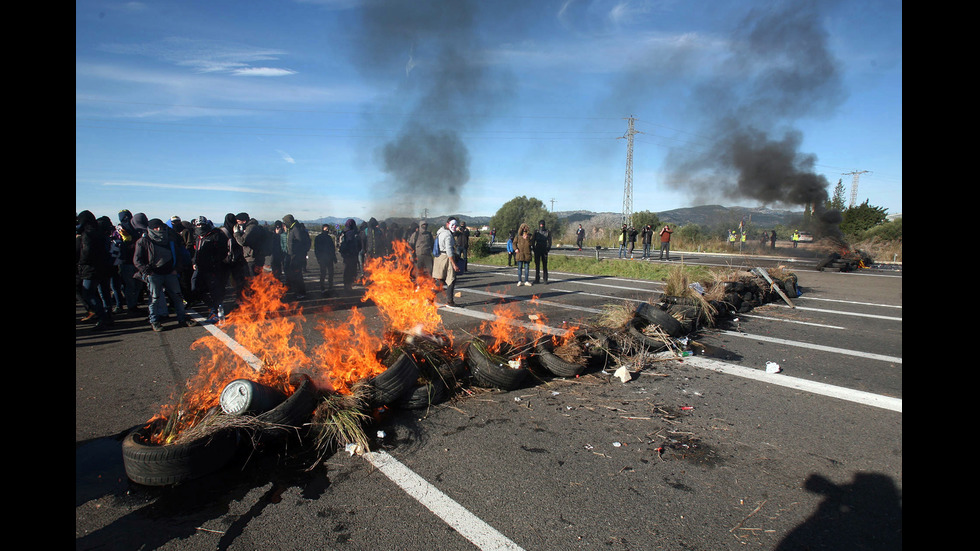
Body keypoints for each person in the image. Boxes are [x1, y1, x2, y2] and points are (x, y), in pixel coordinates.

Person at [134, 218, 192, 331]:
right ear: (150, 229)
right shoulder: (144, 241)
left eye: (160, 227)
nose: (159, 229)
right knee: (154, 299)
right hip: (154, 275)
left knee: (178, 297)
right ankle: (154, 321)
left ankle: (182, 319)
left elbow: (178, 255)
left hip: (170, 273)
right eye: (156, 228)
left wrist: (176, 269)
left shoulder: (169, 239)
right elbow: (137, 260)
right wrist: (147, 271)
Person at [77, 210, 114, 331]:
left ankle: (102, 317)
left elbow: (86, 252)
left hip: (91, 268)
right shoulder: (100, 232)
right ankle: (108, 316)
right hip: (104, 267)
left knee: (88, 293)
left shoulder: (87, 233)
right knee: (104, 292)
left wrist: (82, 262)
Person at [192, 216, 229, 324]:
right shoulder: (198, 237)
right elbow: (196, 251)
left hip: (213, 269)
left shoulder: (215, 235)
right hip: (199, 267)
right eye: (198, 225)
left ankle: (216, 311)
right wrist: (194, 262)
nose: (200, 227)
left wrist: (213, 262)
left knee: (215, 291)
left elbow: (222, 252)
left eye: (202, 225)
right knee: (195, 288)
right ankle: (213, 307)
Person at [116, 210, 146, 316]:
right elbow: (126, 244)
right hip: (127, 261)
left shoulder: (136, 229)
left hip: (135, 261)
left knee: (137, 285)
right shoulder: (122, 229)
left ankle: (133, 304)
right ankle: (131, 306)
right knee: (131, 285)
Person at [432, 216, 461, 306]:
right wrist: (454, 264)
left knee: (440, 280)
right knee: (451, 279)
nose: (455, 227)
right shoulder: (447, 235)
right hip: (446, 258)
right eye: (453, 225)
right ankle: (450, 301)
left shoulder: (440, 232)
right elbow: (449, 250)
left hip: (439, 258)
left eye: (456, 225)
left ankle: (429, 296)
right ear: (447, 224)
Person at [282, 214, 311, 300]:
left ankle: (301, 293)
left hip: (296, 257)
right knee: (294, 275)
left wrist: (295, 253)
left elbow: (300, 242)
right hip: (293, 256)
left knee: (297, 275)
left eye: (285, 222)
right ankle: (297, 292)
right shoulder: (292, 229)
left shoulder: (296, 229)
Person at [234, 213, 269, 278]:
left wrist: (236, 233)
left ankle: (257, 288)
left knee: (254, 278)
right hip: (254, 256)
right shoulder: (251, 227)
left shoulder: (250, 228)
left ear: (244, 221)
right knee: (256, 277)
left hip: (253, 257)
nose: (237, 223)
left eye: (238, 221)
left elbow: (242, 242)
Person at [338, 219, 362, 291]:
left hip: (346, 255)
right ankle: (349, 285)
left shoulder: (344, 232)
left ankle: (347, 285)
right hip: (352, 254)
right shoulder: (353, 233)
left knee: (347, 270)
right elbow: (357, 244)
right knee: (351, 270)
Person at [314, 223, 337, 296]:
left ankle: (330, 286)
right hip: (322, 258)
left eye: (328, 229)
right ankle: (322, 287)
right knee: (323, 273)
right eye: (326, 229)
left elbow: (332, 249)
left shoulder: (329, 238)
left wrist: (334, 257)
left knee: (331, 273)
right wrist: (318, 258)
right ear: (322, 229)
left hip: (329, 258)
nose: (327, 230)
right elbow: (316, 249)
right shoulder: (318, 238)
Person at [533, 219, 552, 284]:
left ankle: (545, 279)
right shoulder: (536, 232)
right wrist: (534, 248)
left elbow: (550, 241)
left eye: (542, 225)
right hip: (538, 248)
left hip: (544, 249)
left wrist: (548, 249)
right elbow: (533, 241)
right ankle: (537, 279)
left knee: (545, 265)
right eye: (541, 225)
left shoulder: (547, 232)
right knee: (537, 265)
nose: (541, 226)